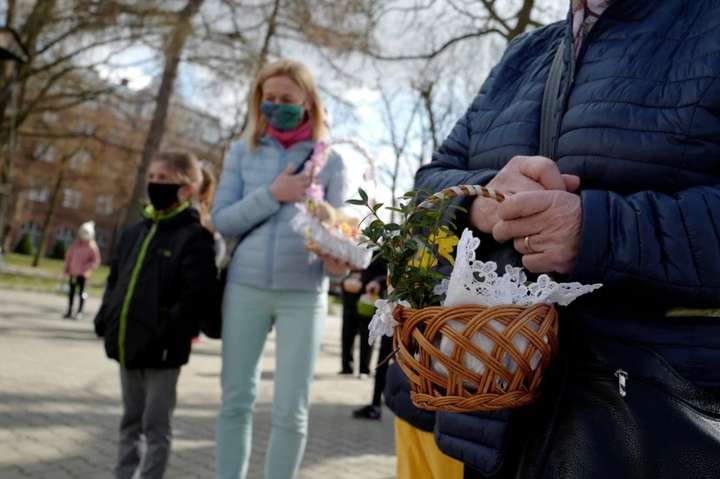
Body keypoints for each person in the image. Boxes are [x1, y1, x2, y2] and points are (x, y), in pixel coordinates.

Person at [410, 0, 720, 477]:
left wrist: (598, 231)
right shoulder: (522, 56)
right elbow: (426, 185)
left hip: (655, 431)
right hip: (499, 427)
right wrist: (481, 199)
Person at [213, 59, 348, 479]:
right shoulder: (241, 151)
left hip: (304, 293)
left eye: (286, 99)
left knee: (292, 408)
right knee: (236, 399)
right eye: (268, 99)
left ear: (308, 102)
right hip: (246, 287)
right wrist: (273, 194)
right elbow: (223, 220)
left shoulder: (333, 161)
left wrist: (335, 252)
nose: (276, 106)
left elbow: (343, 242)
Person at [94, 150, 218, 479]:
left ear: (187, 188)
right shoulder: (136, 231)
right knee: (130, 421)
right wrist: (106, 316)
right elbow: (115, 279)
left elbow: (194, 298)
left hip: (163, 351)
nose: (154, 184)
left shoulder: (195, 238)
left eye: (164, 179)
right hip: (128, 343)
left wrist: (164, 330)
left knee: (155, 426)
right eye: (151, 178)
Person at [62, 221, 100, 319]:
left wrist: (86, 268)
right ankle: (70, 310)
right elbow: (69, 257)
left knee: (82, 293)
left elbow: (95, 261)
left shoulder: (92, 246)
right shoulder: (76, 244)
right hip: (73, 273)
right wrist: (66, 268)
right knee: (71, 292)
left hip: (84, 274)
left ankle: (80, 311)